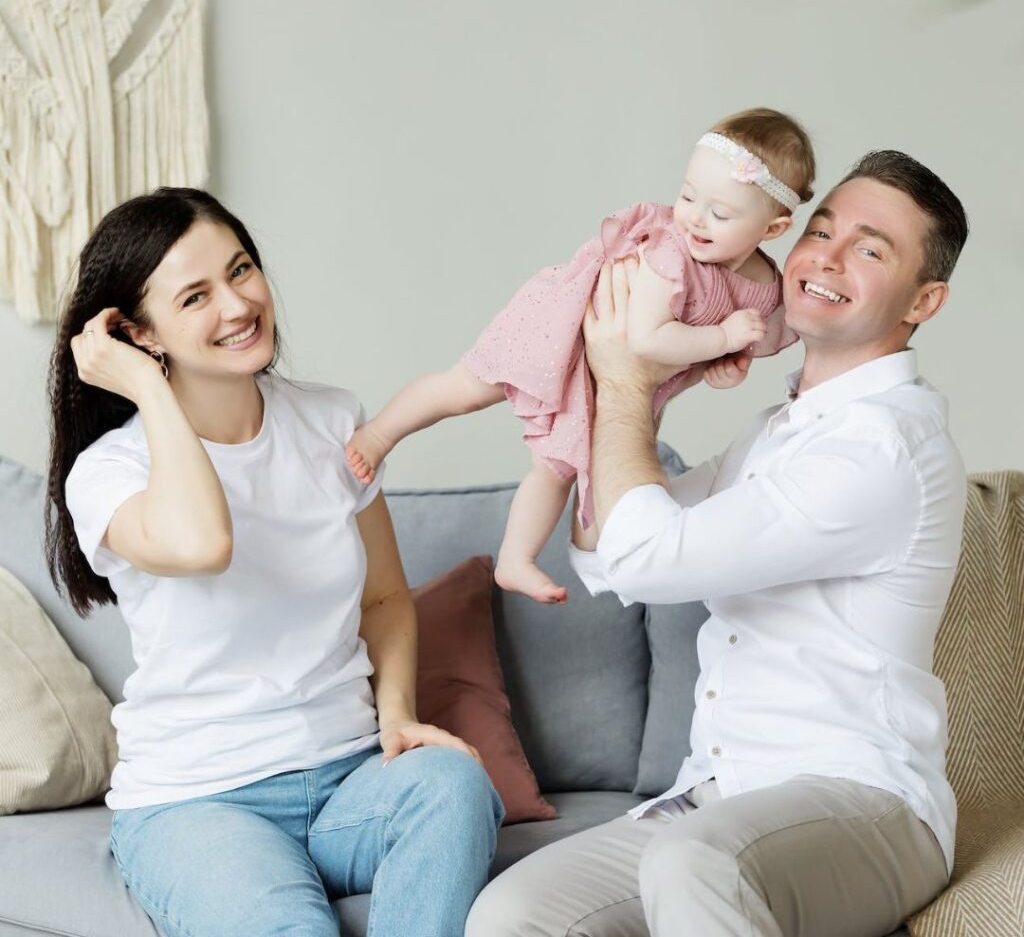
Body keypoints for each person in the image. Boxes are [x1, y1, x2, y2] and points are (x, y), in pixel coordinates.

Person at [465, 150, 969, 937]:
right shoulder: (783, 430)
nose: (825, 258)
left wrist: (627, 381)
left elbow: (649, 557)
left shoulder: (880, 448)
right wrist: (648, 386)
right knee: (513, 915)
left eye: (871, 249)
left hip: (865, 804)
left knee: (694, 862)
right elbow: (605, 551)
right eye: (822, 228)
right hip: (720, 795)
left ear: (924, 300)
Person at [44, 188, 504, 937]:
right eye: (195, 296)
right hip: (198, 800)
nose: (238, 305)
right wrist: (144, 389)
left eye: (242, 270)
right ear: (138, 333)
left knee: (455, 784)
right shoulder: (108, 472)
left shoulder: (329, 421)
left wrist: (398, 718)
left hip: (349, 775)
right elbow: (203, 543)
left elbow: (385, 598)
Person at [346, 107, 815, 603]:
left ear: (773, 230)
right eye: (687, 195)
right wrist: (720, 338)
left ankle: (514, 560)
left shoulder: (764, 288)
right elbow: (648, 339)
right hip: (562, 329)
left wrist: (721, 364)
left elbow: (723, 346)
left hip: (607, 378)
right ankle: (379, 434)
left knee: (555, 468)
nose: (694, 218)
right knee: (464, 389)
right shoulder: (670, 252)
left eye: (720, 213)